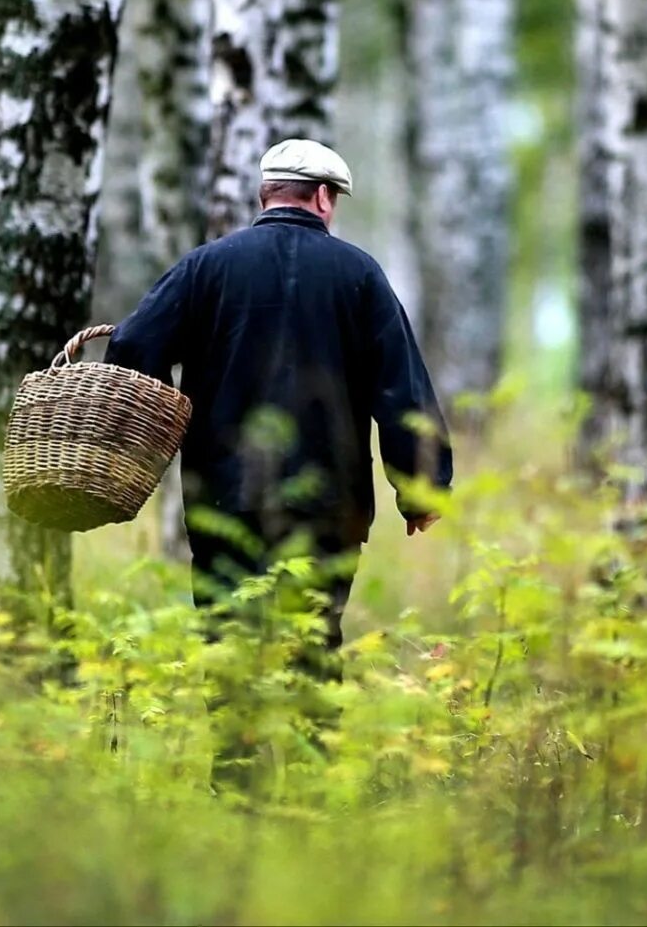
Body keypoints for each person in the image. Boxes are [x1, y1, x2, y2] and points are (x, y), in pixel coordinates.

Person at [106, 138, 453, 661]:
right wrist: (422, 488)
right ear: (321, 197)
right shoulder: (360, 274)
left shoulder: (205, 267)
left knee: (228, 647)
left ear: (265, 195)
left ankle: (233, 746)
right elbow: (401, 389)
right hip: (328, 506)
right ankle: (306, 739)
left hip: (224, 498)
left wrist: (160, 427)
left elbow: (132, 344)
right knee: (312, 649)